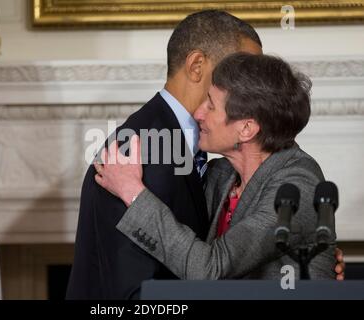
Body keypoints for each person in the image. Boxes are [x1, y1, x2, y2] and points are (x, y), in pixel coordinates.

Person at [66, 10, 265, 299]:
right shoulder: (134, 151)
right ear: (197, 66)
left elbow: (213, 257)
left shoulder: (198, 147)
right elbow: (136, 295)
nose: (257, 90)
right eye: (244, 72)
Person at [94, 53, 337, 280]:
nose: (198, 113)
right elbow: (182, 244)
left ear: (246, 129)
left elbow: (210, 268)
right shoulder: (221, 173)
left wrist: (132, 192)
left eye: (210, 105)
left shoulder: (297, 185)